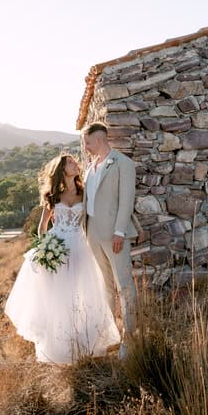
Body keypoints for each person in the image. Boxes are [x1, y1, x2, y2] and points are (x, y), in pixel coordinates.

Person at [5, 153, 120, 364]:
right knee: (59, 299)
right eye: (71, 163)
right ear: (62, 169)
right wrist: (46, 248)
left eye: (76, 162)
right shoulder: (52, 196)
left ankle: (87, 346)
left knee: (82, 295)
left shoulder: (85, 193)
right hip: (57, 249)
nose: (76, 164)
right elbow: (42, 228)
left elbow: (93, 219)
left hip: (80, 248)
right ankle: (61, 349)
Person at [82, 123, 138, 360]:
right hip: (92, 233)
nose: (84, 147)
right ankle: (110, 334)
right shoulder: (89, 168)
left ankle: (130, 338)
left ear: (99, 139)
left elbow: (126, 200)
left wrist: (120, 232)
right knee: (105, 285)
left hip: (115, 235)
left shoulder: (123, 164)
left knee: (124, 284)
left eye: (87, 142)